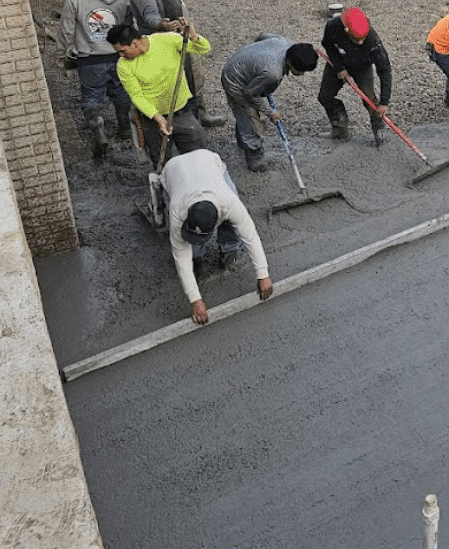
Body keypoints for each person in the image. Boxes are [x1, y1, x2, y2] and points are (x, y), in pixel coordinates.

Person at [161, 148, 273, 325]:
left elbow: (250, 236)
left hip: (208, 160)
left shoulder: (229, 202)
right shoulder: (177, 210)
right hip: (173, 169)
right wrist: (195, 299)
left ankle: (229, 248)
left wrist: (263, 275)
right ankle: (197, 257)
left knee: (233, 223)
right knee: (188, 250)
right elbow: (180, 256)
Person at [129, 0, 226, 128]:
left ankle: (200, 114)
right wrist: (163, 25)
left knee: (196, 76)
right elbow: (150, 17)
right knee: (176, 82)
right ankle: (182, 119)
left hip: (182, 38)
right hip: (163, 45)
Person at [108, 19, 213, 168]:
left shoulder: (167, 40)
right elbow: (137, 96)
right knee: (161, 162)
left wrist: (194, 37)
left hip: (182, 112)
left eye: (122, 50)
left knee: (197, 156)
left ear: (134, 43)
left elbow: (204, 49)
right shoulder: (123, 66)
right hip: (153, 120)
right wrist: (159, 120)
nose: (120, 55)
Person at [58, 0, 133, 159]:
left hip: (89, 59)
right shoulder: (122, 1)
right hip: (117, 57)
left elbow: (66, 30)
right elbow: (127, 29)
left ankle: (99, 132)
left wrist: (65, 54)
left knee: (91, 98)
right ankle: (125, 131)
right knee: (121, 93)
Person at [220, 35, 319, 171]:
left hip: (241, 65)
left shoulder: (286, 43)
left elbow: (262, 36)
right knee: (250, 119)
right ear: (290, 63)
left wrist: (258, 59)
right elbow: (250, 93)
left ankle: (242, 141)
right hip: (236, 81)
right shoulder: (273, 73)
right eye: (300, 71)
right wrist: (270, 113)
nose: (302, 75)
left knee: (245, 116)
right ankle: (254, 158)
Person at [318, 6, 392, 143]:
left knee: (370, 101)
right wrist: (339, 68)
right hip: (339, 61)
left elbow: (385, 70)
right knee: (325, 96)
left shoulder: (373, 43)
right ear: (346, 30)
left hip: (362, 66)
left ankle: (379, 130)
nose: (360, 42)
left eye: (362, 39)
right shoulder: (332, 26)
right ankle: (339, 129)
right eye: (357, 39)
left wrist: (384, 102)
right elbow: (328, 45)